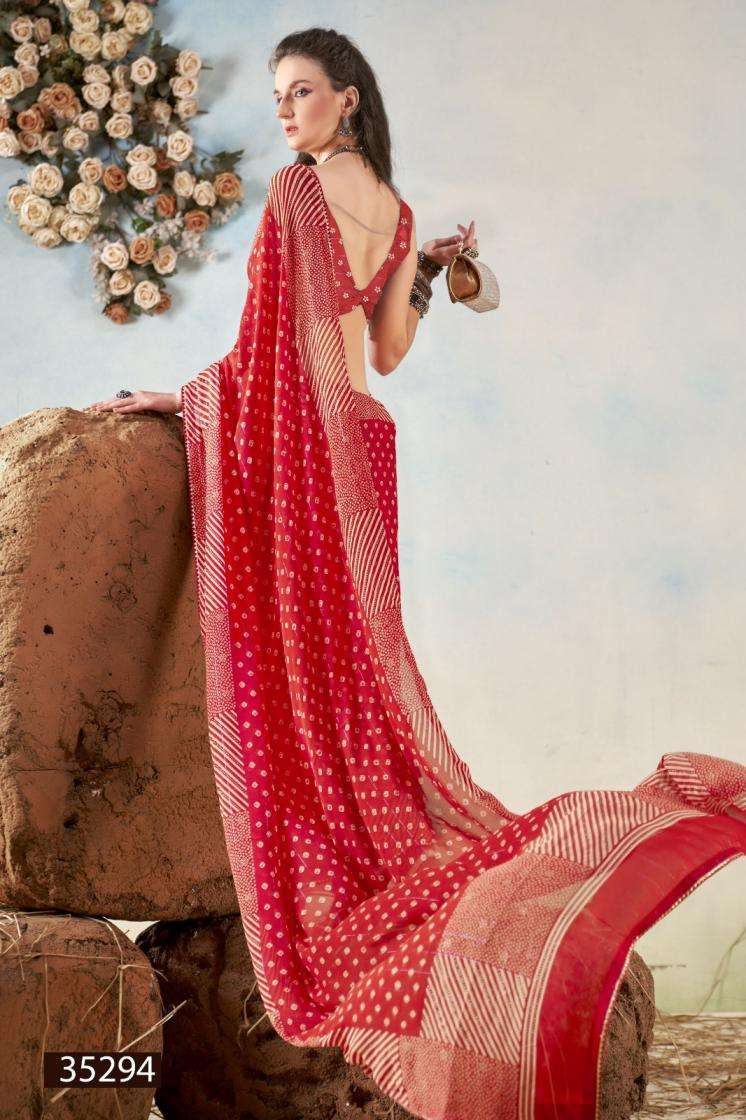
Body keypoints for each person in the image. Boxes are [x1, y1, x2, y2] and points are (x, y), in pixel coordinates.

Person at [85, 28, 746, 1120]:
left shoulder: (299, 192)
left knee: (311, 685)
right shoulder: (392, 214)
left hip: (309, 446)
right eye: (278, 94)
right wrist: (429, 270)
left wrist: (186, 401)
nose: (284, 111)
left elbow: (269, 346)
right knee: (356, 682)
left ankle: (342, 852)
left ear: (347, 98)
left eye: (301, 92)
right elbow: (385, 355)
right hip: (363, 446)